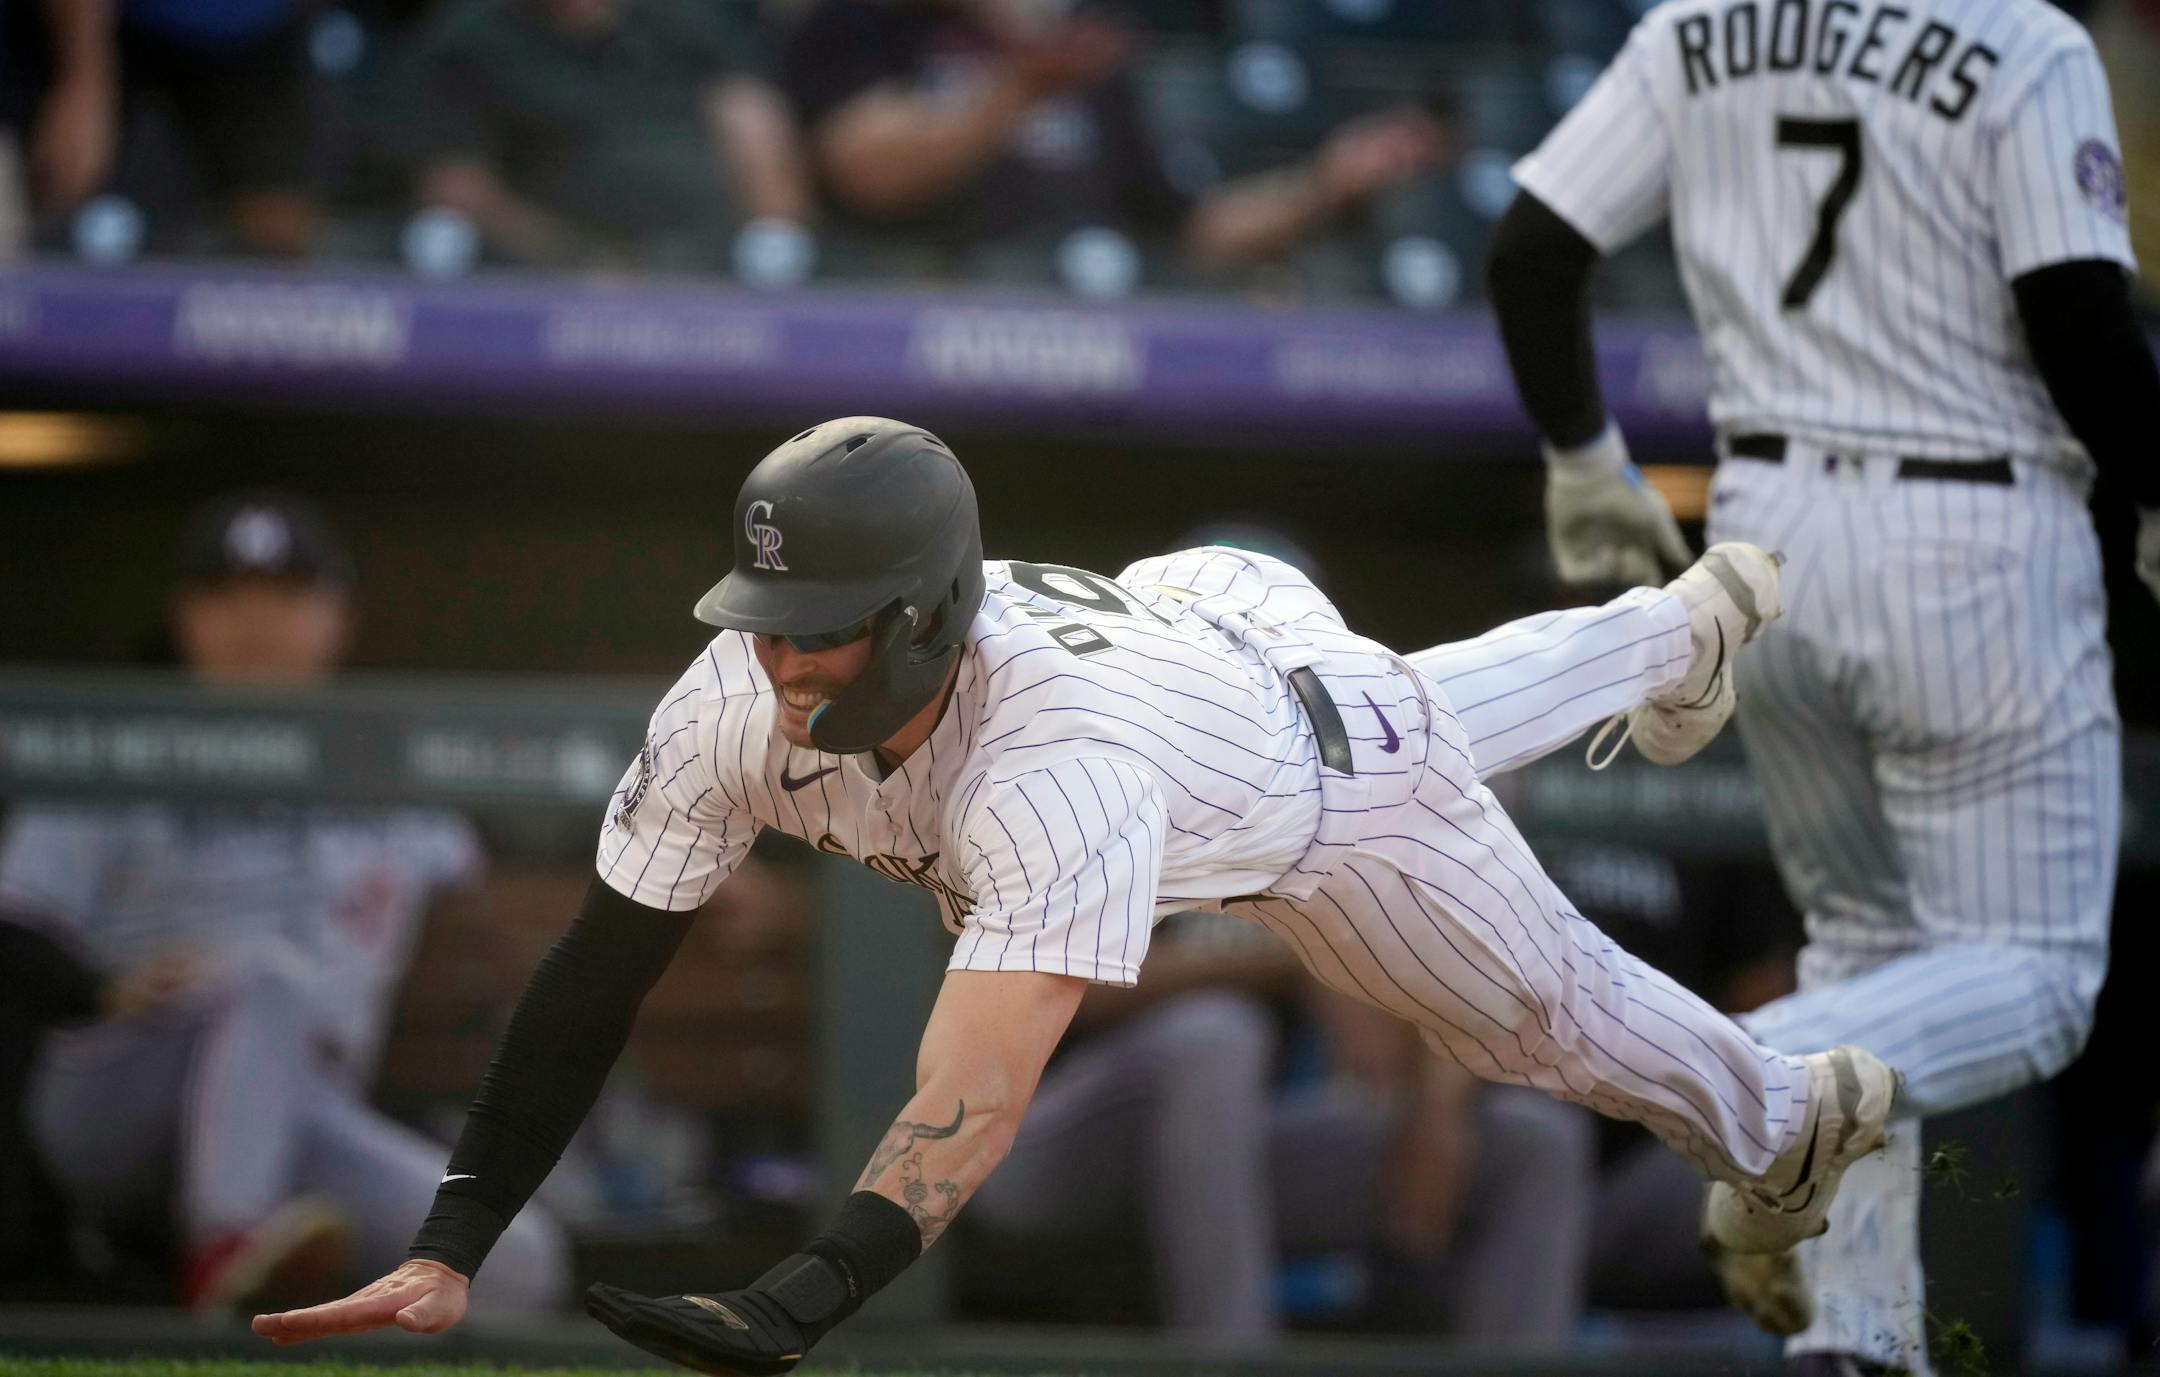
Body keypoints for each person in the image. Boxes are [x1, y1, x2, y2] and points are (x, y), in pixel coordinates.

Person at [251, 418, 1894, 1374]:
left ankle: (1784, 1121)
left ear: (918, 620)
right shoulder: (735, 698)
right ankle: (1679, 629)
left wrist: (782, 1307)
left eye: (814, 617)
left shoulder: (1060, 771)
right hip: (1206, 615)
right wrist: (457, 1236)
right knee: (1419, 685)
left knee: (1547, 1022)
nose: (773, 649)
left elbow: (969, 1099)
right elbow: (599, 969)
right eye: (763, 605)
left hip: (1321, 788)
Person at [1481, 0, 2159, 1370]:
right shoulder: (2024, 39)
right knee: (2038, 982)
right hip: (1972, 526)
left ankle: (1855, 1337)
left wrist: (1582, 459)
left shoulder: (1700, 21)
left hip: (1767, 535)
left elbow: (1533, 248)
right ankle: (1762, 1082)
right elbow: (2077, 312)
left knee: (1869, 940)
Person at [0, 492, 568, 1314]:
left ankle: (273, 1285)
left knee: (515, 1265)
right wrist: (99, 988)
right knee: (269, 977)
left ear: (338, 616)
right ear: (184, 615)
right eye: (226, 594)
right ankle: (222, 1251)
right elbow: (13, 918)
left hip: (297, 1111)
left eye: (286, 594)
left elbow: (506, 880)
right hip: (126, 1090)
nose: (255, 620)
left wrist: (704, 865)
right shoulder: (122, 747)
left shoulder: (390, 782)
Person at [964, 911, 1594, 1345]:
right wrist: (1285, 961)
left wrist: (1438, 1105)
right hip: (1037, 1145)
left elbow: (1428, 985)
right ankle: (1230, 1355)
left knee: (1532, 1140)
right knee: (1215, 1036)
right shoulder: (1112, 772)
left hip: (1221, 1156)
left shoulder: (1308, 811)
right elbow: (1055, 981)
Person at [777, 0, 1444, 274]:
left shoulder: (1082, 54)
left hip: (1089, 307)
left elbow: (1192, 228)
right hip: (914, 308)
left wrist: (1323, 183)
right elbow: (867, 171)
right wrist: (1015, 92)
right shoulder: (867, 23)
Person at [415, 0, 809, 271]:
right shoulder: (473, 36)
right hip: (543, 260)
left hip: (705, 256)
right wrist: (575, 260)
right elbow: (458, 184)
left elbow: (754, 120)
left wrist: (769, 236)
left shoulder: (681, 19)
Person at [0, 0, 323, 255]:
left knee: (277, 225)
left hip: (254, 31)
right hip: (110, 27)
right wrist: (83, 78)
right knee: (66, 185)